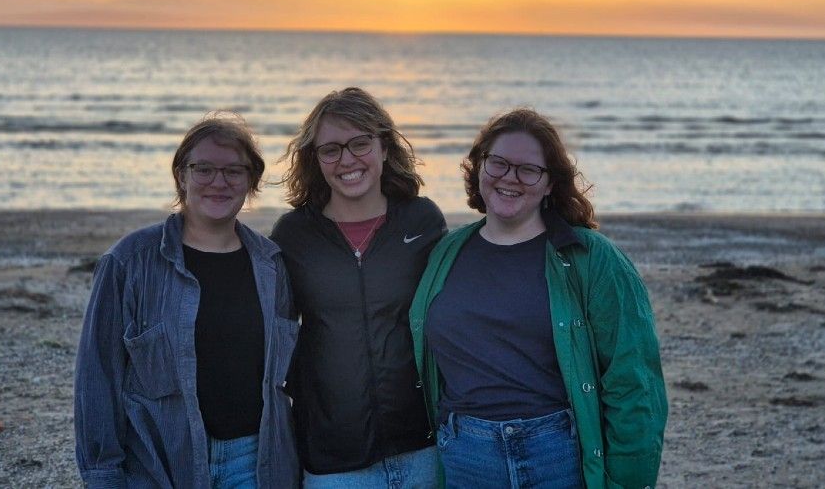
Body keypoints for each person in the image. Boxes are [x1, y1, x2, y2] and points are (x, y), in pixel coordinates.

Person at [409, 108, 667, 488]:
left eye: (528, 169)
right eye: (497, 163)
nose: (509, 178)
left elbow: (633, 382)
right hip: (465, 457)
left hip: (557, 456)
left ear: (549, 184)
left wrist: (628, 480)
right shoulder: (446, 253)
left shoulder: (592, 258)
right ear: (478, 167)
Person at [74, 112, 300, 488]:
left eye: (233, 171)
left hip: (254, 462)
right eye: (204, 169)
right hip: (158, 462)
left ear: (251, 182)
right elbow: (97, 376)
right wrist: (103, 475)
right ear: (181, 175)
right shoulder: (129, 262)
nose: (218, 182)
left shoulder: (271, 265)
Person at [270, 87, 446, 487]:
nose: (347, 160)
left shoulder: (422, 221)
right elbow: (273, 331)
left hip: (422, 448)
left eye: (360, 143)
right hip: (333, 460)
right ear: (315, 160)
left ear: (384, 147)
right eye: (330, 149)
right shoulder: (294, 234)